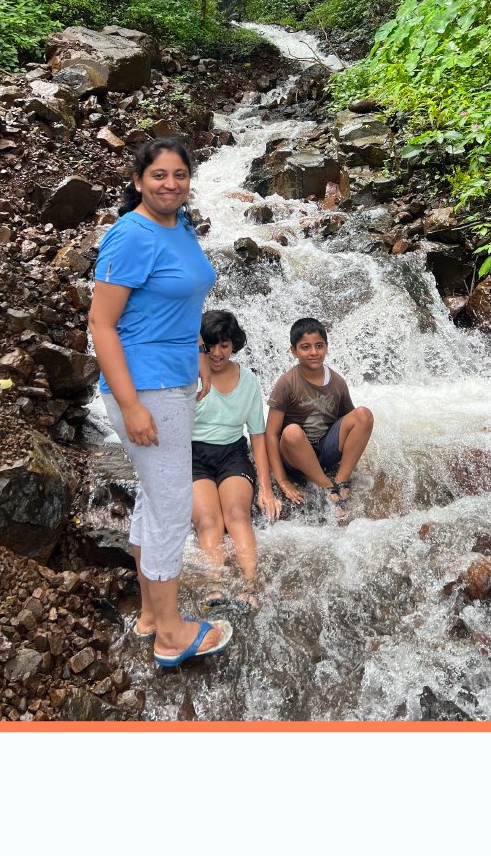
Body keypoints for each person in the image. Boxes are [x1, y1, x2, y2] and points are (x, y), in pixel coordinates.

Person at [88, 137, 233, 668]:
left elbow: (181, 300)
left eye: (179, 174)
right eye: (158, 176)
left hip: (173, 379)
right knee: (173, 504)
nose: (170, 184)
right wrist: (129, 405)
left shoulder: (181, 226)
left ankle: (151, 615)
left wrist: (196, 351)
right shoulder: (129, 236)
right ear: (137, 181)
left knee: (155, 497)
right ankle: (172, 635)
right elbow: (101, 325)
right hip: (144, 387)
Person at [192, 309, 278, 607]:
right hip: (193, 457)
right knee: (208, 521)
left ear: (234, 345)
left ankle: (251, 584)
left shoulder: (249, 381)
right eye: (211, 346)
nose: (217, 353)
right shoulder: (189, 376)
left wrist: (265, 487)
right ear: (201, 345)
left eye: (225, 346)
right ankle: (213, 585)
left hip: (233, 454)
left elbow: (257, 435)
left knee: (237, 515)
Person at [265, 317, 374, 511]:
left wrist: (352, 463)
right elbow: (271, 434)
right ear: (294, 351)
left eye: (319, 346)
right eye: (305, 347)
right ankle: (326, 485)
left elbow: (351, 422)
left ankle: (341, 479)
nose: (313, 352)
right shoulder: (287, 383)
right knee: (291, 431)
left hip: (325, 451)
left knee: (364, 415)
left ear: (326, 347)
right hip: (295, 456)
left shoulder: (337, 382)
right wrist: (282, 480)